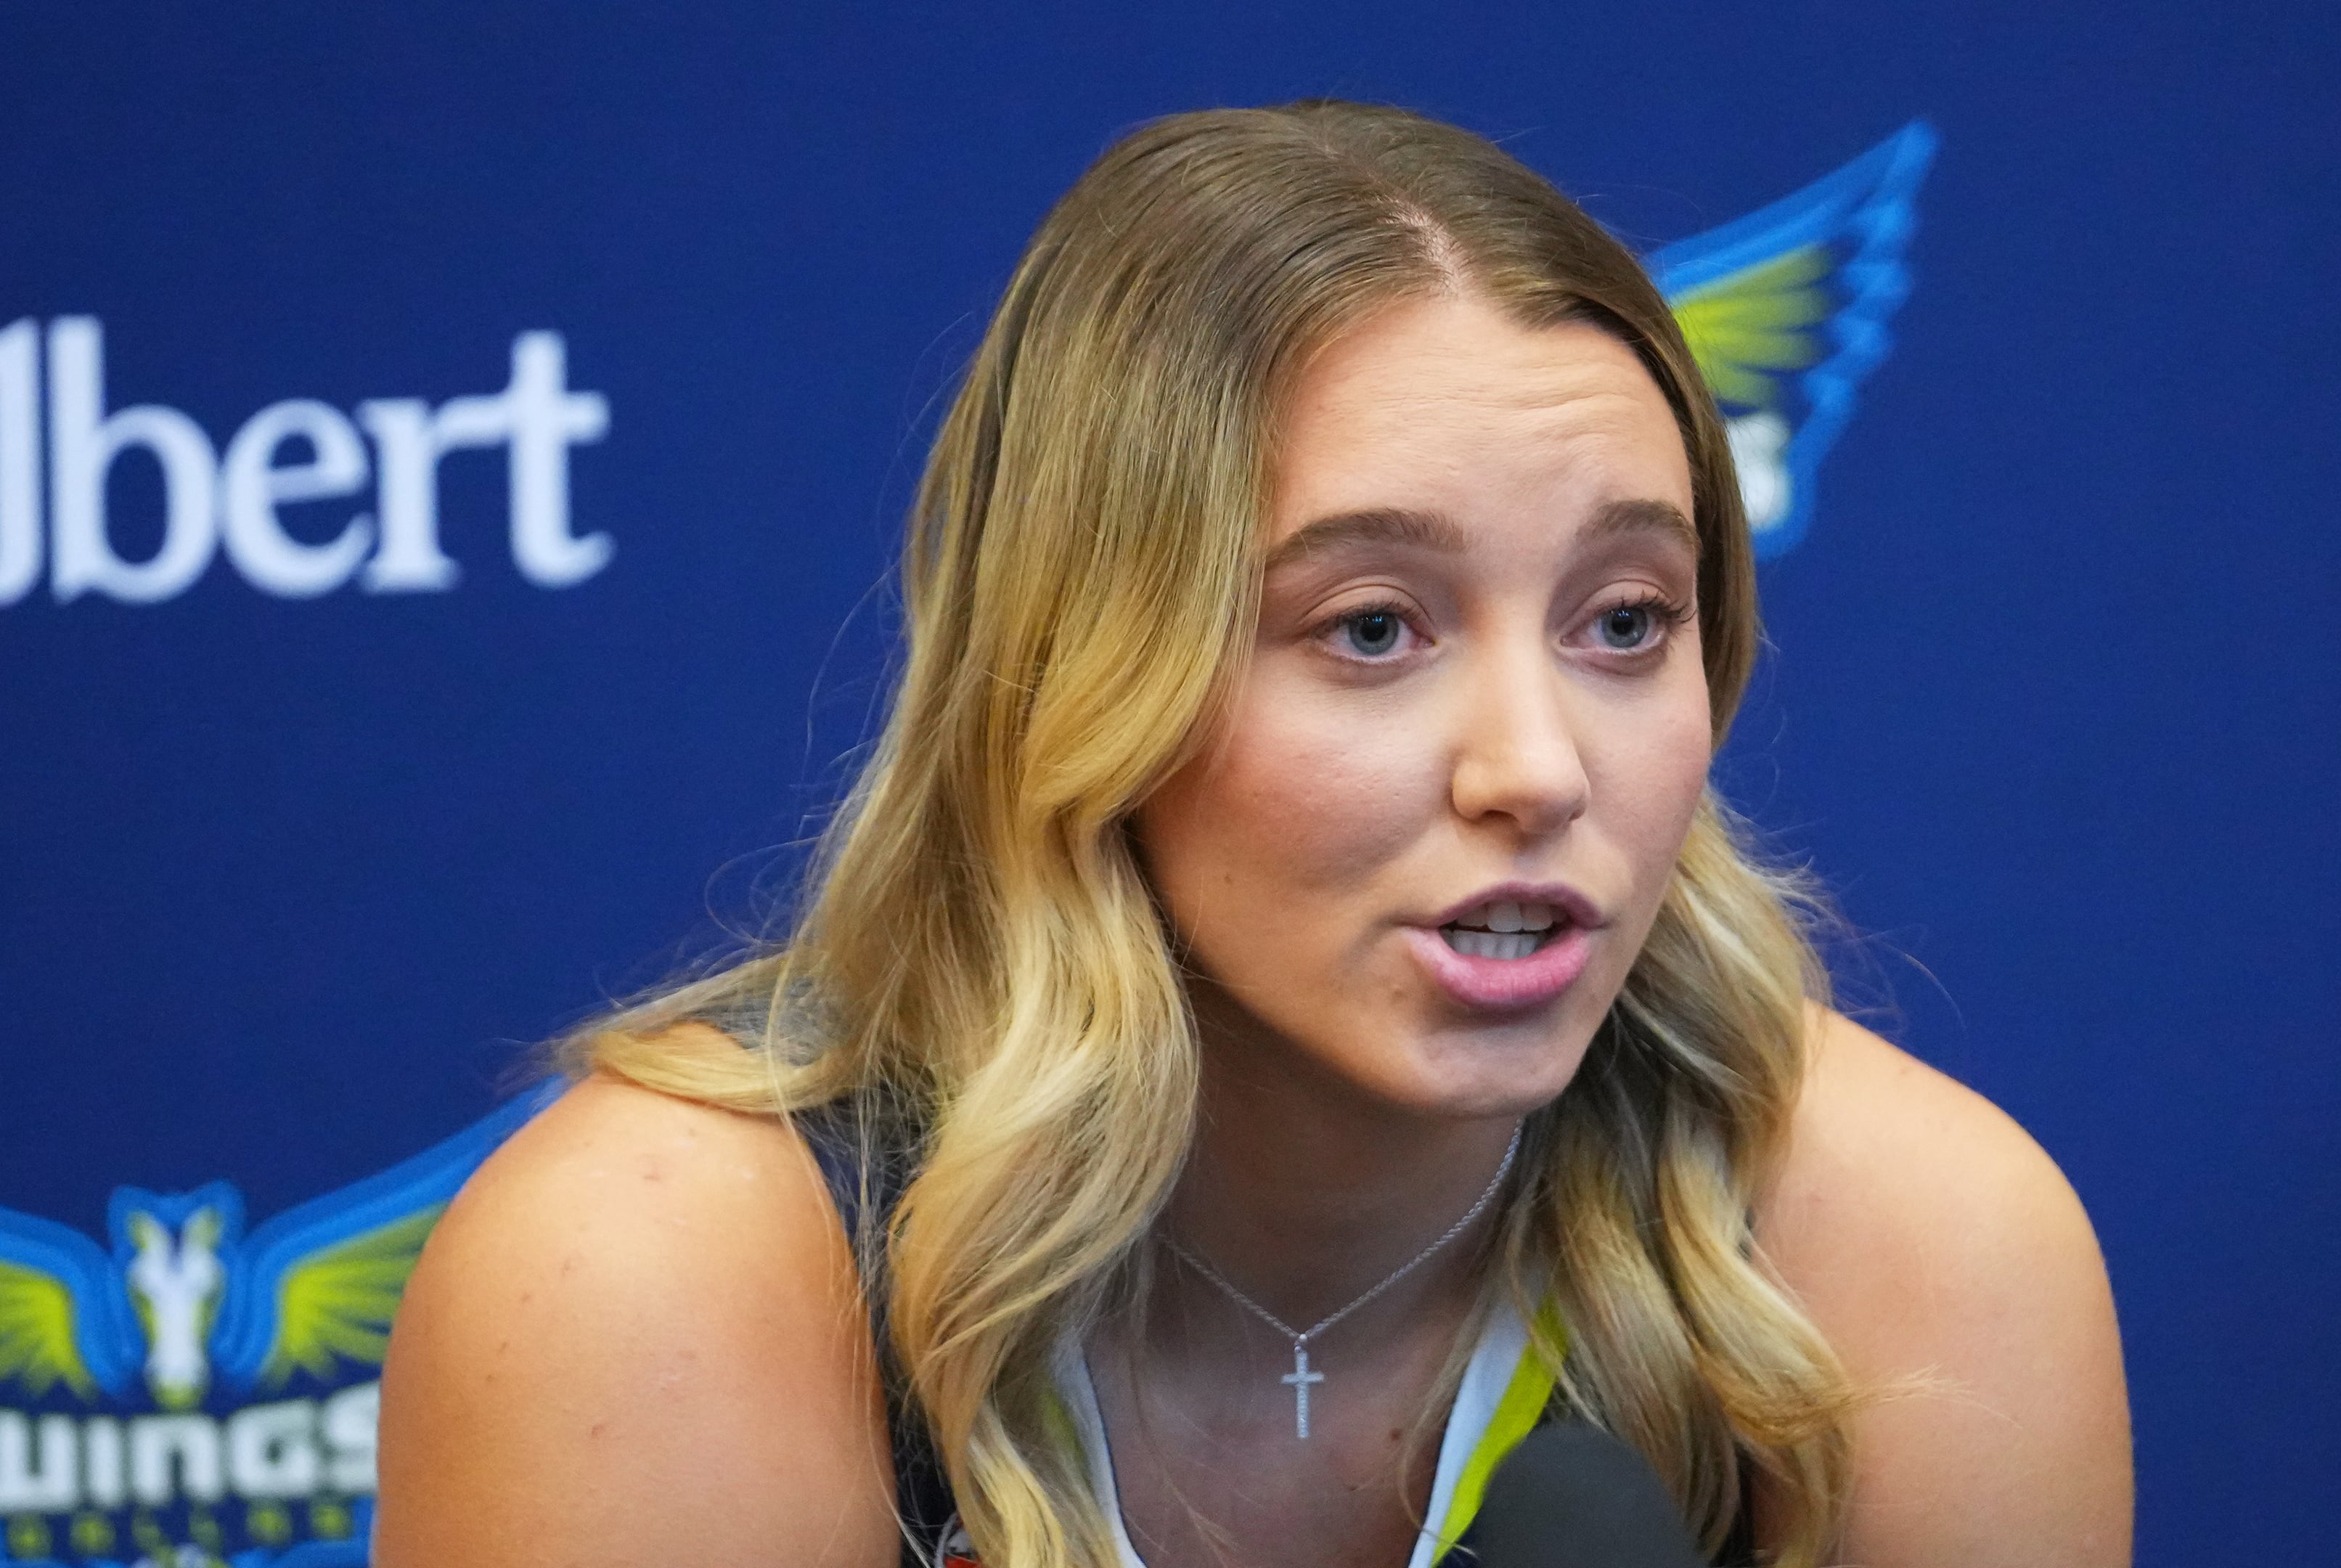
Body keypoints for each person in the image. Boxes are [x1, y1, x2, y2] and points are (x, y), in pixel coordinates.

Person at [372, 101, 2130, 1568]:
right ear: (1080, 676)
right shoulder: (656, 1283)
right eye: (1372, 627)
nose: (1538, 769)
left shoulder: (1917, 1254)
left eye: (1623, 621)